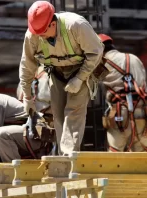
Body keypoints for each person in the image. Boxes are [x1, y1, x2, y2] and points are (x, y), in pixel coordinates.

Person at [19, 1, 104, 155]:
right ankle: (62, 155)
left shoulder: (76, 26)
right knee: (58, 115)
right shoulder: (33, 35)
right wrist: (27, 96)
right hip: (56, 73)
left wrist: (79, 78)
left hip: (81, 71)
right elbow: (27, 66)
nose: (40, 37)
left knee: (73, 112)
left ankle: (68, 157)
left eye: (43, 32)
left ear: (52, 23)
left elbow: (96, 52)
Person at [99, 34, 147, 152]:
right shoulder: (134, 58)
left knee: (115, 158)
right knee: (143, 158)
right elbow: (144, 86)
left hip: (119, 115)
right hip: (142, 114)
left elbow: (91, 88)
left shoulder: (102, 63)